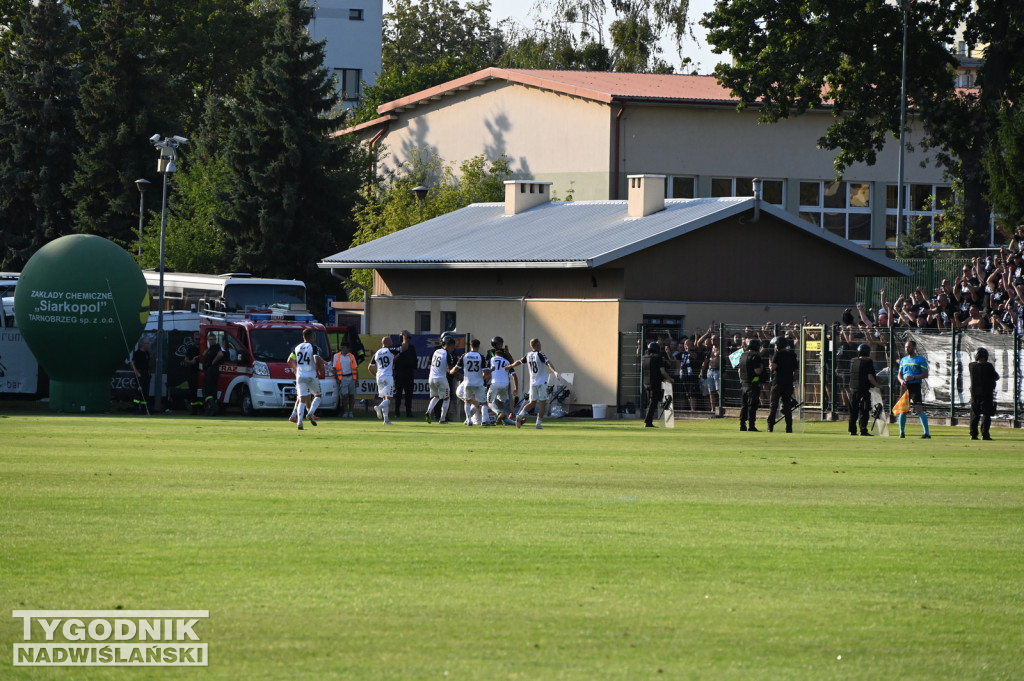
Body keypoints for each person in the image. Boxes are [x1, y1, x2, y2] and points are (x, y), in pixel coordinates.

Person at [507, 337, 561, 429]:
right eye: (539, 344)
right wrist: (554, 371)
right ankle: (538, 424)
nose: (540, 345)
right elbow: (548, 363)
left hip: (533, 383)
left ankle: (519, 416)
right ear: (537, 345)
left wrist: (510, 366)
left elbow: (519, 362)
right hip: (542, 382)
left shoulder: (528, 355)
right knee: (543, 403)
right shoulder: (540, 354)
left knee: (532, 403)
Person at [287, 328, 325, 430]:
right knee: (318, 395)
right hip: (311, 375)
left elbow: (289, 360)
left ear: (303, 337)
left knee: (302, 399)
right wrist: (320, 370)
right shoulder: (313, 347)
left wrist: (296, 371)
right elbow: (316, 360)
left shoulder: (297, 347)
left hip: (300, 375)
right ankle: (311, 413)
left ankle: (299, 422)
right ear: (312, 336)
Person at [897, 339, 931, 439]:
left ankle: (927, 433)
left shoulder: (920, 359)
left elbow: (925, 374)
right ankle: (901, 432)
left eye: (909, 347)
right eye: (906, 347)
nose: (907, 349)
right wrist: (901, 381)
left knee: (919, 409)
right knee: (903, 410)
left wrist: (913, 377)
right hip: (905, 386)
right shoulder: (903, 360)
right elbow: (899, 374)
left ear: (914, 348)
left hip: (915, 385)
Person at [766, 336, 798, 433]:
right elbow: (796, 370)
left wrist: (770, 362)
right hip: (788, 382)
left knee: (774, 404)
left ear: (778, 345)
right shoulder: (792, 355)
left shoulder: (777, 354)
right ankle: (789, 427)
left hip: (778, 382)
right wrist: (792, 379)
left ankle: (770, 426)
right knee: (787, 405)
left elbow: (773, 368)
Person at [847, 343, 879, 436]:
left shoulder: (852, 361)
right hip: (864, 389)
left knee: (853, 411)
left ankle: (852, 430)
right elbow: (870, 377)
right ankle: (863, 430)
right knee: (864, 410)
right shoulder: (868, 362)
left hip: (853, 389)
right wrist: (877, 385)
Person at [486, 336, 519, 425]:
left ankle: (501, 417)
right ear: (494, 344)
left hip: (498, 379)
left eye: (501, 343)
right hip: (496, 379)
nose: (501, 345)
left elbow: (511, 362)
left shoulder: (504, 353)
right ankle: (499, 417)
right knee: (495, 400)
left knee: (498, 401)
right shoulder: (490, 353)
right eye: (499, 343)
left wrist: (508, 353)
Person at [425, 335, 457, 424]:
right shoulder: (448, 355)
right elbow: (451, 369)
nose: (453, 349)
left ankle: (429, 411)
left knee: (436, 396)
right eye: (453, 347)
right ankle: (442, 419)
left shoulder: (436, 351)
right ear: (450, 345)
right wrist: (459, 375)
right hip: (441, 378)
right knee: (447, 398)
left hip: (431, 378)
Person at [968, 347, 999, 441]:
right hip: (986, 393)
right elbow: (996, 377)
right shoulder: (988, 366)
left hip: (974, 394)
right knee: (986, 414)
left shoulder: (971, 366)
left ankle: (973, 434)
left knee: (974, 415)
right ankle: (985, 434)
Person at [456, 338, 489, 425]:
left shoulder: (464, 356)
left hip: (467, 383)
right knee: (484, 402)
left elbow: (456, 369)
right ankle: (485, 421)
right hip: (478, 383)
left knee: (467, 401)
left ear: (470, 346)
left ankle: (469, 420)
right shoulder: (481, 357)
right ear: (478, 346)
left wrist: (451, 371)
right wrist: (491, 370)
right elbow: (485, 372)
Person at [641, 341, 671, 427]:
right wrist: (669, 378)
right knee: (653, 402)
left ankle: (648, 421)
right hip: (655, 383)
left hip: (646, 383)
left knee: (650, 403)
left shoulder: (644, 358)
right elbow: (662, 371)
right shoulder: (658, 358)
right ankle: (648, 421)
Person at [368, 336, 396, 425]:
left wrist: (375, 375)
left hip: (379, 377)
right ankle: (379, 407)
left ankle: (386, 420)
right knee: (389, 398)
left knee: (385, 398)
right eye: (391, 342)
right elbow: (403, 348)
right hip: (387, 376)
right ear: (388, 343)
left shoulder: (376, 353)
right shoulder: (391, 350)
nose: (392, 343)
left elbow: (370, 368)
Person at [737, 337, 764, 432]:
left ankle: (742, 424)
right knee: (752, 405)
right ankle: (751, 425)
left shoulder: (743, 355)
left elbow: (739, 371)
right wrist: (762, 367)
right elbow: (757, 371)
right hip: (753, 384)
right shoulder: (755, 356)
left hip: (744, 383)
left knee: (744, 405)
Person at [393, 331, 417, 418]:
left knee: (409, 394)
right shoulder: (397, 348)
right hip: (399, 374)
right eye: (408, 338)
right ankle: (397, 412)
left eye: (409, 338)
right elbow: (393, 360)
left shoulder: (412, 348)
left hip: (409, 374)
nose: (409, 340)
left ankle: (408, 412)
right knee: (398, 394)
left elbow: (415, 361)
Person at [332, 341, 359, 418]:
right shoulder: (336, 356)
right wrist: (336, 378)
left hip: (351, 377)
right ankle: (345, 411)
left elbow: (355, 368)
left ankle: (351, 412)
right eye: (342, 347)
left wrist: (357, 379)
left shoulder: (351, 356)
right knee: (345, 395)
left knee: (351, 395)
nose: (342, 349)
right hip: (342, 378)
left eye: (344, 347)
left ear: (348, 349)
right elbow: (334, 368)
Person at [202, 331, 225, 416]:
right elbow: (204, 353)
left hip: (212, 370)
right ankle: (211, 409)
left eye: (213, 339)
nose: (211, 341)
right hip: (210, 370)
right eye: (210, 339)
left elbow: (220, 354)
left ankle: (214, 407)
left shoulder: (216, 348)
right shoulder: (211, 348)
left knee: (207, 391)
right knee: (212, 391)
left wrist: (213, 362)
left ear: (216, 340)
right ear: (208, 339)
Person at [182, 331, 203, 415]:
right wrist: (192, 361)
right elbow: (185, 359)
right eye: (196, 339)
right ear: (193, 339)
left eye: (199, 339)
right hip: (193, 373)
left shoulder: (204, 348)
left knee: (202, 391)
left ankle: (202, 409)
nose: (197, 340)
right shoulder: (191, 348)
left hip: (202, 373)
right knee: (193, 391)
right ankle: (194, 410)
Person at [130, 336, 151, 414]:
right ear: (142, 344)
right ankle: (135, 408)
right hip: (140, 373)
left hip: (146, 374)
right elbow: (132, 364)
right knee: (138, 392)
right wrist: (137, 373)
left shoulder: (147, 353)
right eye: (146, 343)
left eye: (148, 343)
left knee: (145, 392)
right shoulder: (137, 353)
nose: (147, 345)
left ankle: (144, 409)